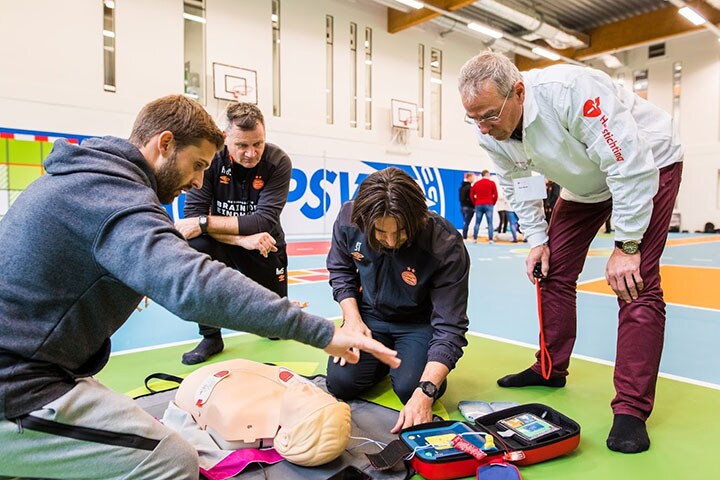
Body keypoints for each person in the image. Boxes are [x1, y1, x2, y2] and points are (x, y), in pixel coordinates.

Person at [0, 94, 400, 480]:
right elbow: (193, 283)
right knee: (173, 460)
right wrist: (322, 332)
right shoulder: (113, 199)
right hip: (19, 385)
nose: (196, 181)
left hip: (42, 365)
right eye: (196, 165)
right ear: (165, 144)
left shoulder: (86, 179)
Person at [459, 51, 683, 454]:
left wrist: (627, 245)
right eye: (473, 118)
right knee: (552, 269)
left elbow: (628, 165)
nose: (483, 128)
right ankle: (550, 368)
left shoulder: (571, 93)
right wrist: (536, 241)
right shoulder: (487, 130)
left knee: (635, 283)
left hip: (648, 162)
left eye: (490, 115)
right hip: (584, 183)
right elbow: (518, 185)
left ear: (519, 92)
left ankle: (631, 408)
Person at [325, 167, 470, 433]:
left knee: (409, 389)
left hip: (418, 323)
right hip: (368, 317)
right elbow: (341, 269)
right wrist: (352, 321)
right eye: (380, 232)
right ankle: (384, 358)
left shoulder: (444, 243)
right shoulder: (349, 218)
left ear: (418, 219)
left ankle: (414, 365)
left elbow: (450, 326)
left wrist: (426, 390)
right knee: (340, 384)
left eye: (401, 232)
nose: (391, 242)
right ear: (364, 221)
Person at [175, 102, 291, 365]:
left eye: (258, 144)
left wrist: (206, 224)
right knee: (196, 247)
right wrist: (240, 239)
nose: (251, 153)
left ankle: (271, 318)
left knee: (275, 329)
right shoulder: (209, 160)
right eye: (242, 146)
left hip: (264, 243)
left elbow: (263, 220)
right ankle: (210, 336)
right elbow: (192, 217)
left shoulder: (278, 162)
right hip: (228, 242)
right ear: (226, 139)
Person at [470, 169, 498, 243]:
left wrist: (475, 202)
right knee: (490, 223)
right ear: (487, 175)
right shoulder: (492, 183)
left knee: (477, 222)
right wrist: (492, 203)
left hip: (478, 204)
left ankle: (475, 238)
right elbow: (495, 195)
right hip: (489, 204)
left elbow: (471, 195)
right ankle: (491, 239)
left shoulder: (476, 184)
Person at [459, 172, 475, 239]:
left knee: (465, 222)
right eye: (473, 177)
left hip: (462, 207)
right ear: (469, 177)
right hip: (469, 207)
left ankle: (464, 235)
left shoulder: (461, 187)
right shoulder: (469, 188)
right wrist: (473, 205)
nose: (473, 179)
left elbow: (461, 198)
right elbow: (471, 198)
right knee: (467, 223)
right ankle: (464, 236)